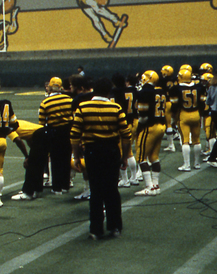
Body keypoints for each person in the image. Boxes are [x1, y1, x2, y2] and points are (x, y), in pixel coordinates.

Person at [70, 77, 131, 239]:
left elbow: (75, 135)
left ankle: (95, 229)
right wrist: (124, 157)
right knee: (112, 190)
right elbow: (126, 136)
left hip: (92, 151)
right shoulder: (116, 108)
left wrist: (76, 157)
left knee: (96, 191)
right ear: (108, 92)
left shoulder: (83, 108)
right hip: (111, 151)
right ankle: (115, 226)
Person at [38, 76, 74, 195]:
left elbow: (41, 122)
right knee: (66, 158)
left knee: (55, 159)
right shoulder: (69, 99)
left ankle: (57, 186)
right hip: (68, 131)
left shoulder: (45, 102)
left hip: (54, 132)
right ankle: (66, 184)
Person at [134, 71, 167, 196]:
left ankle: (149, 187)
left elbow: (143, 116)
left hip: (150, 126)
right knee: (154, 156)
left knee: (141, 157)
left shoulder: (145, 92)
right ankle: (155, 185)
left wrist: (139, 127)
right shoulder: (160, 91)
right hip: (161, 125)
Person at [171, 68, 204, 171]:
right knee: (197, 140)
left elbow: (174, 105)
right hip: (196, 114)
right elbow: (202, 102)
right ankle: (197, 163)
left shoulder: (176, 89)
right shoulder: (199, 87)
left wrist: (173, 117)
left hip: (184, 114)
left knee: (185, 141)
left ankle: (187, 165)